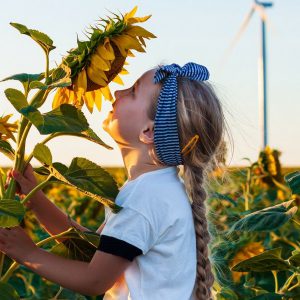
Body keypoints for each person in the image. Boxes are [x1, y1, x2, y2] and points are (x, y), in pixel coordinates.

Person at [1, 62, 227, 300]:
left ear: (149, 132)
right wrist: (36, 200)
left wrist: (28, 254)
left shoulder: (146, 197)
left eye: (132, 92)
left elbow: (95, 279)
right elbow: (92, 249)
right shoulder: (157, 188)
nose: (117, 92)